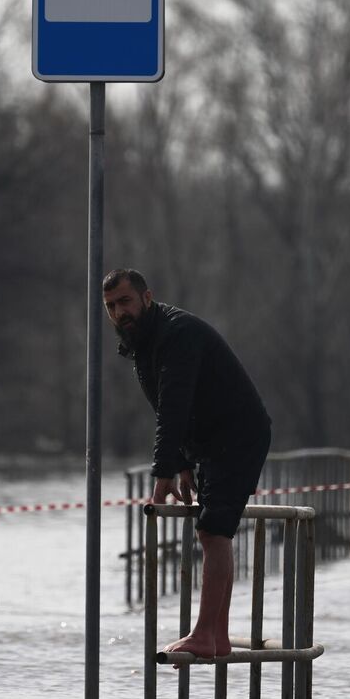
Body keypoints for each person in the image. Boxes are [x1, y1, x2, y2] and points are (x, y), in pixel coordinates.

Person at [103, 268, 271, 662]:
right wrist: (180, 464)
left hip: (238, 434)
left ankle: (204, 634)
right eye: (111, 307)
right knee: (212, 533)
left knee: (215, 529)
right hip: (209, 440)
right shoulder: (142, 340)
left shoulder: (178, 333)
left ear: (147, 297)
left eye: (125, 302)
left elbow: (174, 407)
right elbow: (165, 405)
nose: (118, 313)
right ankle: (217, 635)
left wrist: (161, 472)